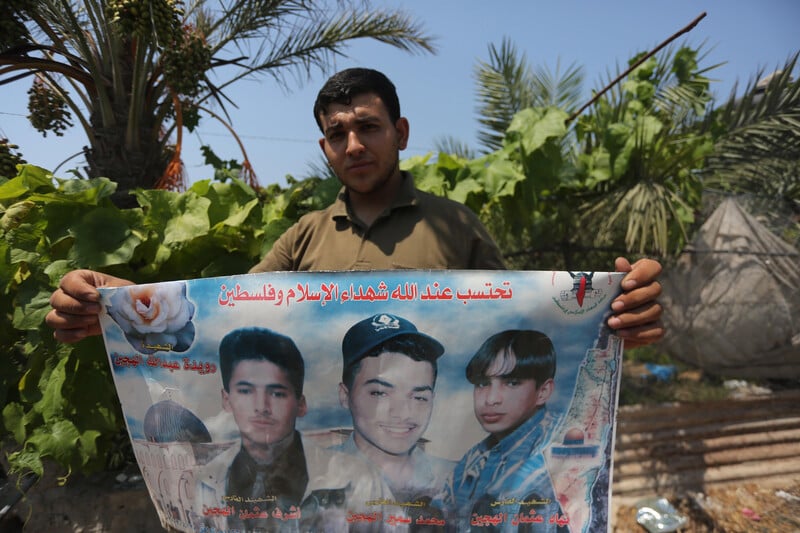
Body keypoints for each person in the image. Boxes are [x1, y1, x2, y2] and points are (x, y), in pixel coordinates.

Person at [45, 68, 664, 346]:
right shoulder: (302, 238)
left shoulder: (456, 226)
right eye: (338, 133)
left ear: (401, 131)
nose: (354, 144)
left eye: (368, 126)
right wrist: (118, 301)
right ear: (324, 147)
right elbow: (216, 317)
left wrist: (611, 319)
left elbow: (522, 328)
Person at [194, 326, 389, 532]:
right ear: (227, 400)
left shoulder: (357, 479)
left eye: (277, 393)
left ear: (300, 404)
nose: (261, 406)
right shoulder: (208, 480)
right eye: (245, 391)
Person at [439, 329, 567, 532]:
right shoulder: (474, 459)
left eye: (512, 383)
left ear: (543, 392)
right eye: (482, 383)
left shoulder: (560, 453)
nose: (491, 399)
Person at [334, 313, 455, 506]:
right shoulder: (309, 477)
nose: (403, 413)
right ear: (345, 396)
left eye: (418, 397)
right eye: (380, 393)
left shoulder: (461, 480)